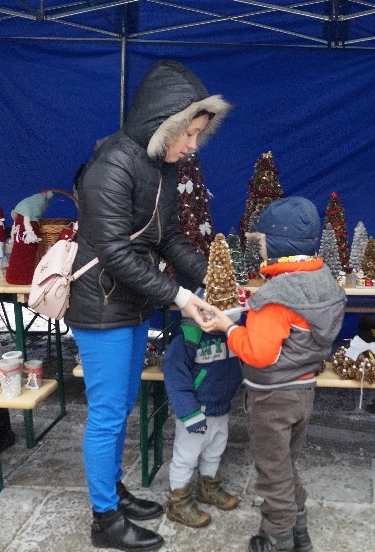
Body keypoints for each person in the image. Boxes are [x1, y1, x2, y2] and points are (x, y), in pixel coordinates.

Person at [65, 59, 230, 551]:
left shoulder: (155, 166)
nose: (193, 145)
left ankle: (112, 492)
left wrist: (218, 279)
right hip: (102, 307)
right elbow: (114, 250)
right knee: (109, 412)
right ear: (165, 122)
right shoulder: (113, 165)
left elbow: (170, 239)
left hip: (131, 305)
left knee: (121, 405)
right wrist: (181, 297)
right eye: (191, 133)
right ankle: (104, 520)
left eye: (200, 134)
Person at [206, 196, 347, 552]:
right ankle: (299, 530)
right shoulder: (324, 282)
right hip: (303, 391)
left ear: (279, 244)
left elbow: (258, 352)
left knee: (272, 472)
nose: (261, 248)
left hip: (271, 398)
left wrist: (227, 326)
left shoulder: (275, 297)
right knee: (284, 464)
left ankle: (278, 538)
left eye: (264, 241)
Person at [162, 299, 243, 528]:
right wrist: (189, 413)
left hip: (220, 406)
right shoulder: (189, 338)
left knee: (215, 450)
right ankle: (178, 500)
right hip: (197, 411)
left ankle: (208, 486)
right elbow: (176, 376)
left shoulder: (230, 335)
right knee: (186, 457)